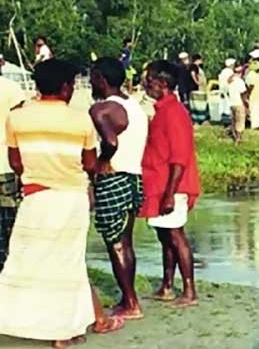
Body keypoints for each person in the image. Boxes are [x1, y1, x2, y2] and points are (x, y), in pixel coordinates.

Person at [0, 59, 125, 348]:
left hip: (34, 197)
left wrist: (37, 171)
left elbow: (16, 162)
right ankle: (62, 332)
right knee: (68, 262)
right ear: (66, 87)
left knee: (25, 259)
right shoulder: (80, 120)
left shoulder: (16, 118)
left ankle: (89, 319)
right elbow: (90, 164)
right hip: (70, 199)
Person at [88, 57, 148, 320]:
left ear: (101, 79)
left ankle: (131, 302)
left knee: (116, 243)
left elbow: (110, 142)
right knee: (125, 241)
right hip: (134, 177)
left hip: (114, 177)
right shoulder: (134, 106)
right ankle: (128, 298)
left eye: (92, 77)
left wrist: (102, 161)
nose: (91, 83)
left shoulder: (102, 109)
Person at [140, 60, 201, 308]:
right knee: (165, 236)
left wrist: (170, 194)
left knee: (176, 235)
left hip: (172, 185)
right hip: (160, 183)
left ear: (163, 83)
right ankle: (167, 286)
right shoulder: (163, 111)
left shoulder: (174, 113)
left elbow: (179, 158)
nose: (146, 85)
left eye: (150, 80)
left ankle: (189, 290)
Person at [0, 63, 25, 272]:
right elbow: (19, 124)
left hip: (6, 160)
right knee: (8, 217)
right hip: (5, 161)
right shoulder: (11, 88)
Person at [228, 65, 248, 144]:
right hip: (239, 103)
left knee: (233, 121)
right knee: (240, 121)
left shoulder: (230, 81)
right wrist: (246, 102)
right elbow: (243, 93)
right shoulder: (240, 82)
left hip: (232, 103)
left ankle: (234, 135)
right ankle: (238, 138)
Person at [245, 58, 259, 129]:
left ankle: (256, 124)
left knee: (254, 109)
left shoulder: (251, 75)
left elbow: (251, 85)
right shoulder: (258, 74)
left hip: (253, 94)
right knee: (258, 109)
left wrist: (248, 93)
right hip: (258, 94)